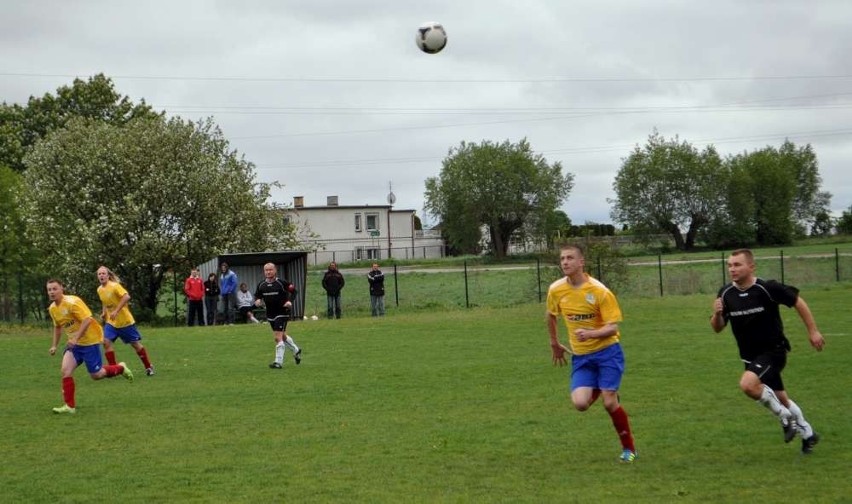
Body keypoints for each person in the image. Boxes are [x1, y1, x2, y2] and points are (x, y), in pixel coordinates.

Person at [710, 248, 825, 454]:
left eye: (737, 264)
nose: (732, 269)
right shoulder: (726, 293)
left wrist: (813, 331)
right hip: (750, 356)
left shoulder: (767, 288)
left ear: (751, 266)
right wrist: (717, 314)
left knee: (748, 385)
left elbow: (798, 301)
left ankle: (784, 417)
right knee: (780, 398)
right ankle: (808, 434)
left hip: (774, 351)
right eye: (729, 265)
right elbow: (718, 327)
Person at [546, 244, 637, 463]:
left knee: (609, 403)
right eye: (562, 259)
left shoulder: (599, 291)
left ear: (581, 262)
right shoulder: (556, 289)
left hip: (608, 353)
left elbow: (613, 328)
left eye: (570, 258)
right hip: (582, 358)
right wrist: (555, 343)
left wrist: (592, 334)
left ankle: (629, 449)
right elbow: (550, 315)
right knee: (580, 404)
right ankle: (606, 389)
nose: (565, 262)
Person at [46, 279, 133, 414]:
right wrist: (54, 346)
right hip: (74, 345)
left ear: (62, 288)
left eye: (54, 288)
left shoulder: (72, 302)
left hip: (89, 342)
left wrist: (76, 338)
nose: (52, 292)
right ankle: (70, 406)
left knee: (96, 375)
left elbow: (87, 319)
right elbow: (58, 327)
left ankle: (120, 368)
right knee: (65, 370)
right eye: (49, 289)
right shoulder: (52, 308)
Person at [96, 266, 155, 376]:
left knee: (135, 344)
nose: (101, 276)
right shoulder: (99, 289)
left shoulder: (114, 286)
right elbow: (104, 301)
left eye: (103, 273)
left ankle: (148, 366)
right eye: (99, 274)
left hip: (125, 322)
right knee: (106, 342)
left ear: (108, 276)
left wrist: (116, 311)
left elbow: (127, 297)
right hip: (111, 322)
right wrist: (104, 312)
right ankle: (114, 370)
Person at [254, 262, 303, 369]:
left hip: (282, 312)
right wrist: (257, 301)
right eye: (266, 270)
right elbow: (257, 295)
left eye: (270, 270)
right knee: (282, 336)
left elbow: (294, 291)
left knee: (277, 338)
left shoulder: (282, 283)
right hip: (270, 313)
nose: (268, 272)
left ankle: (278, 362)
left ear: (275, 270)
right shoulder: (262, 285)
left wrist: (289, 301)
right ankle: (296, 350)